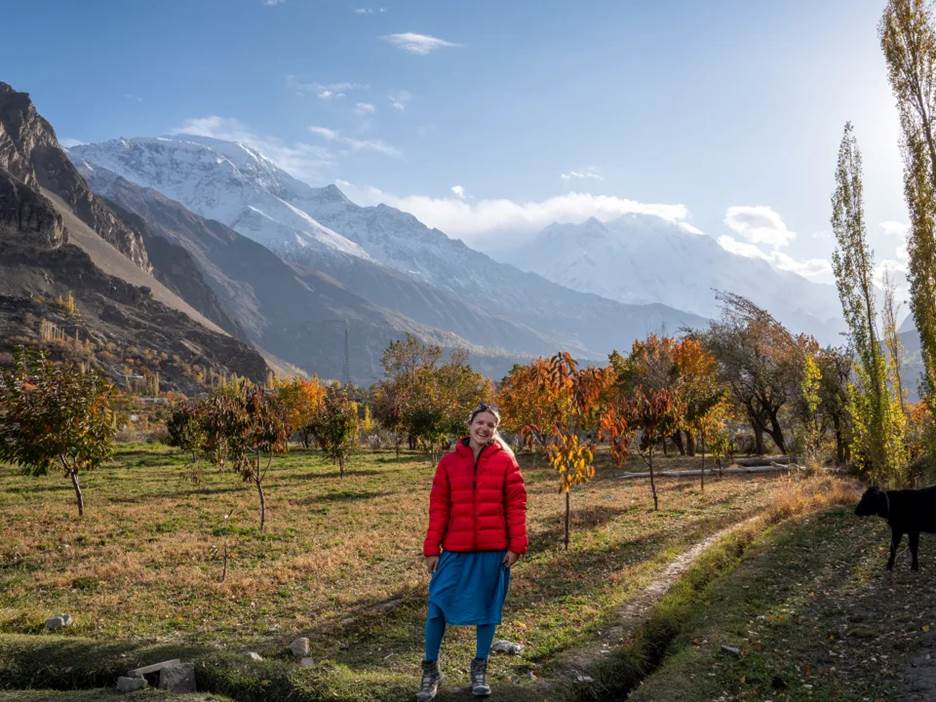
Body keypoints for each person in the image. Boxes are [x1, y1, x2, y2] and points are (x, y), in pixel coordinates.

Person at [416, 403, 528, 701]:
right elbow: (439, 507)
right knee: (437, 606)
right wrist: (432, 548)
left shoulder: (506, 462)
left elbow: (517, 504)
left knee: (488, 610)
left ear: (495, 430)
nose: (484, 428)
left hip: (494, 550)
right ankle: (430, 670)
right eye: (480, 422)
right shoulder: (449, 463)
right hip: (456, 549)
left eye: (490, 425)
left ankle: (480, 668)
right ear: (470, 425)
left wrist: (517, 545)